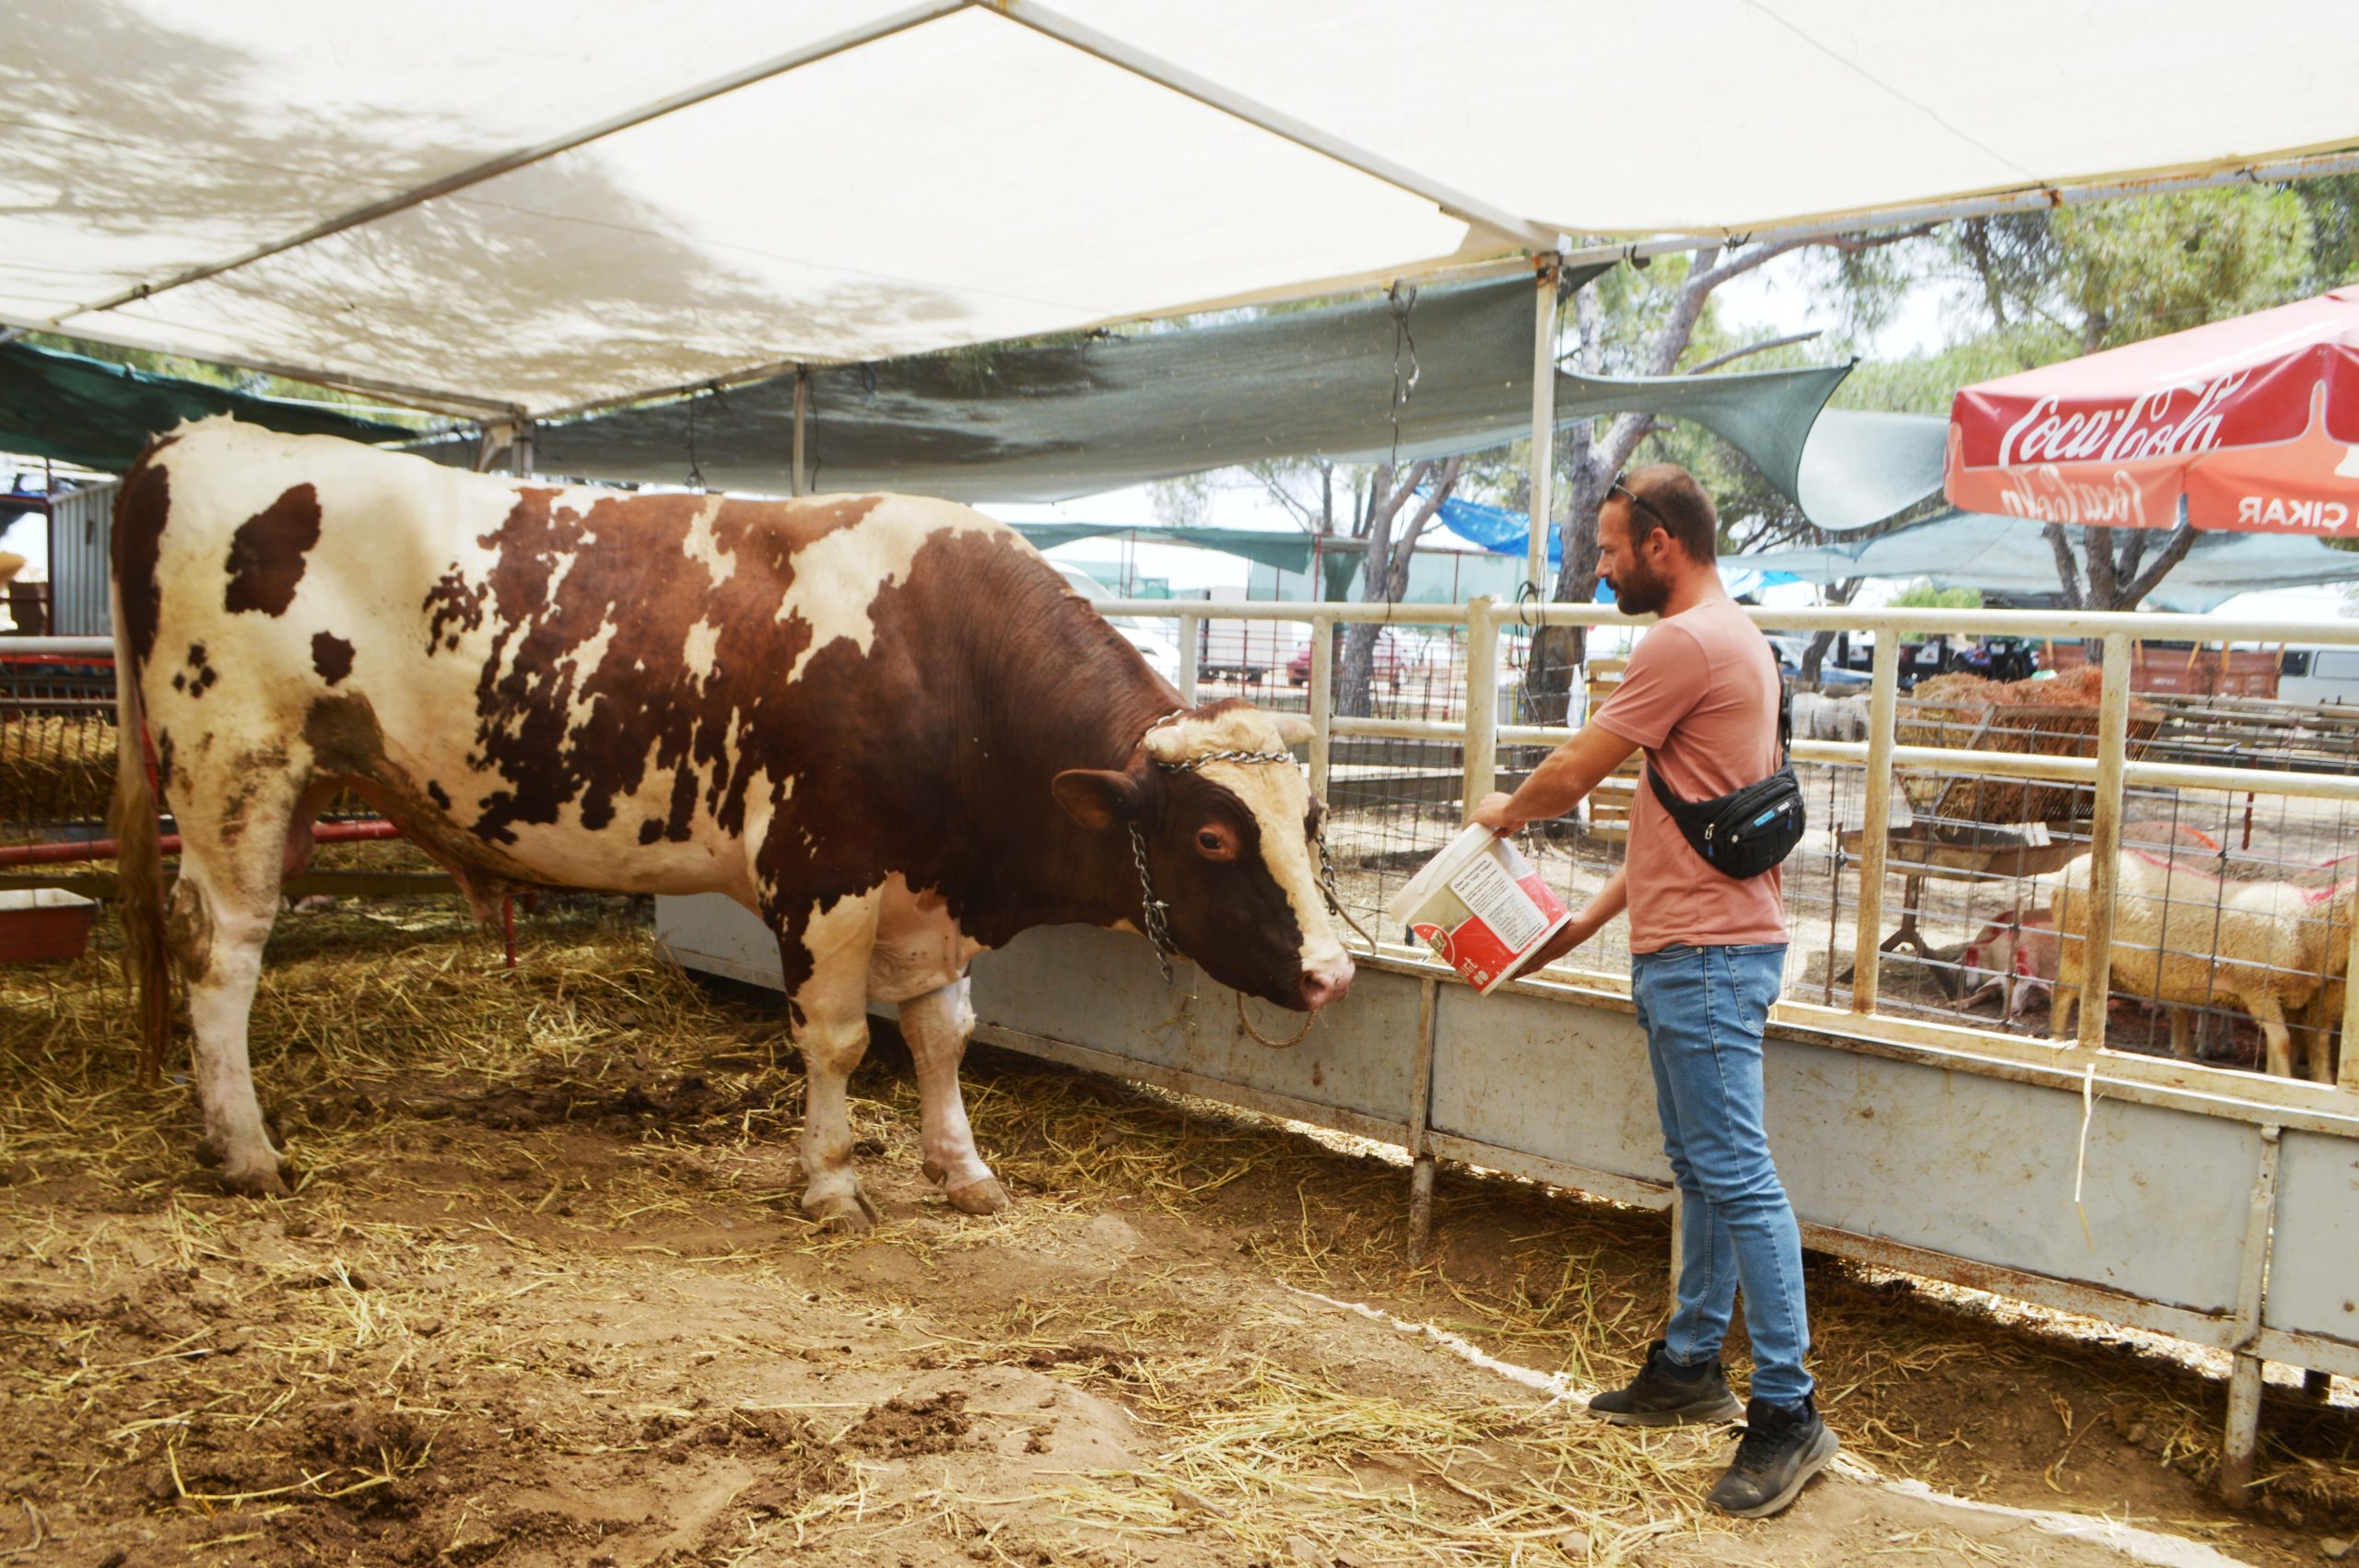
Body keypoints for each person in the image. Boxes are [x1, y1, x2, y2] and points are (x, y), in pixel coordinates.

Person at [1469, 463, 1837, 1519]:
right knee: (1706, 1170)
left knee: (1738, 1177)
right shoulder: (1738, 638)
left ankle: (1787, 1410)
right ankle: (1688, 1365)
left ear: (1663, 541)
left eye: (1610, 547)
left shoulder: (1681, 642)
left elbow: (1575, 771)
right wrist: (1577, 928)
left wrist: (1503, 812)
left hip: (1709, 958)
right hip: (1699, 948)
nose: (1600, 565)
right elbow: (1688, 821)